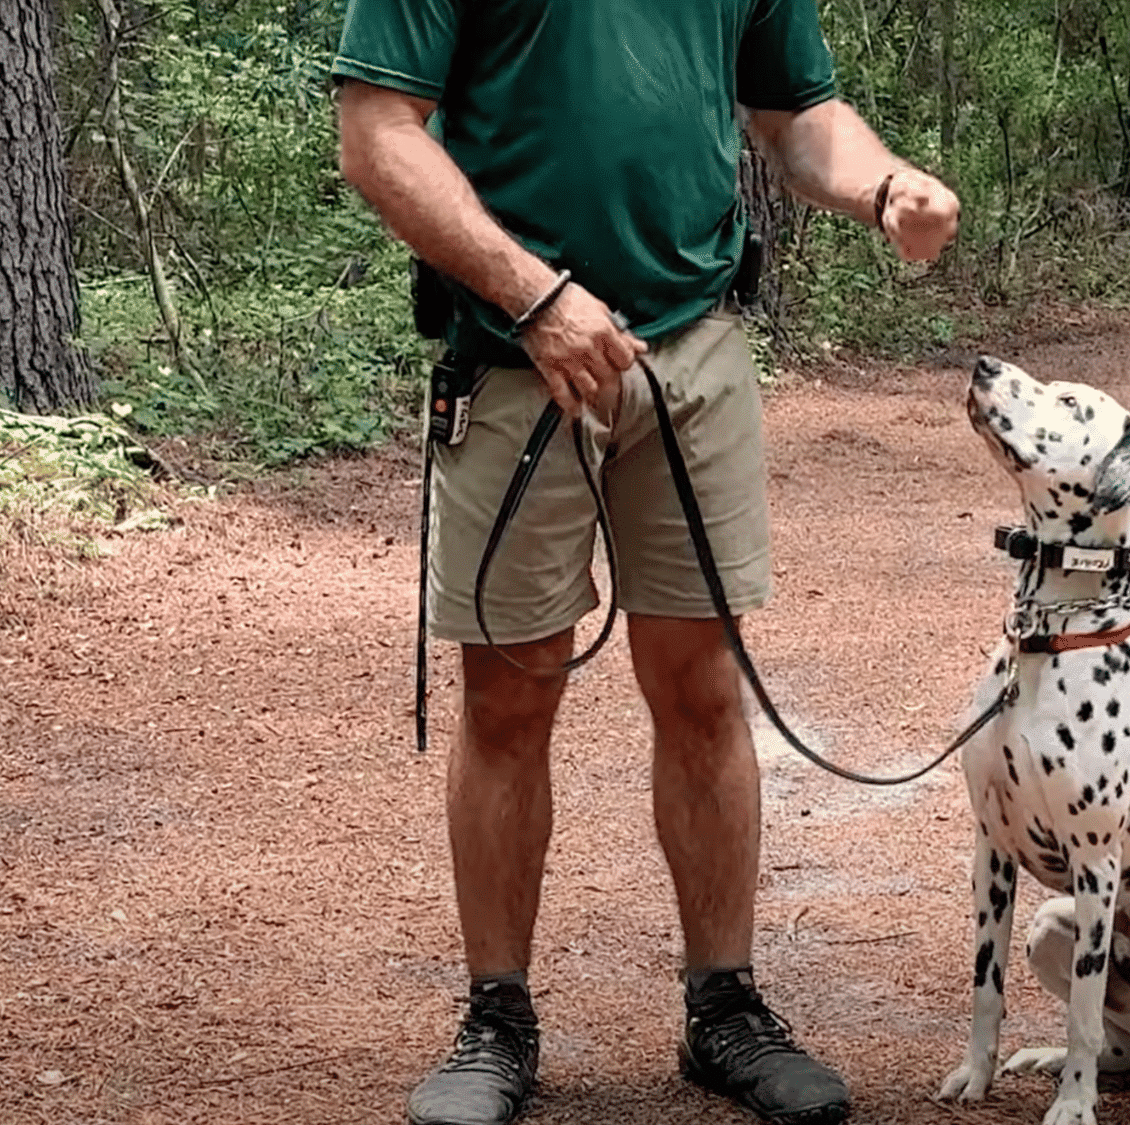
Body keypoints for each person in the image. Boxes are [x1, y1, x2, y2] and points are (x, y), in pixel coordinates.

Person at [331, 2, 959, 1123]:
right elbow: (378, 132)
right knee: (506, 697)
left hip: (695, 349)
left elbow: (798, 112)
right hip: (511, 359)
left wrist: (881, 185)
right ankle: (497, 1018)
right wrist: (533, 296)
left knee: (702, 686)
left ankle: (723, 1009)